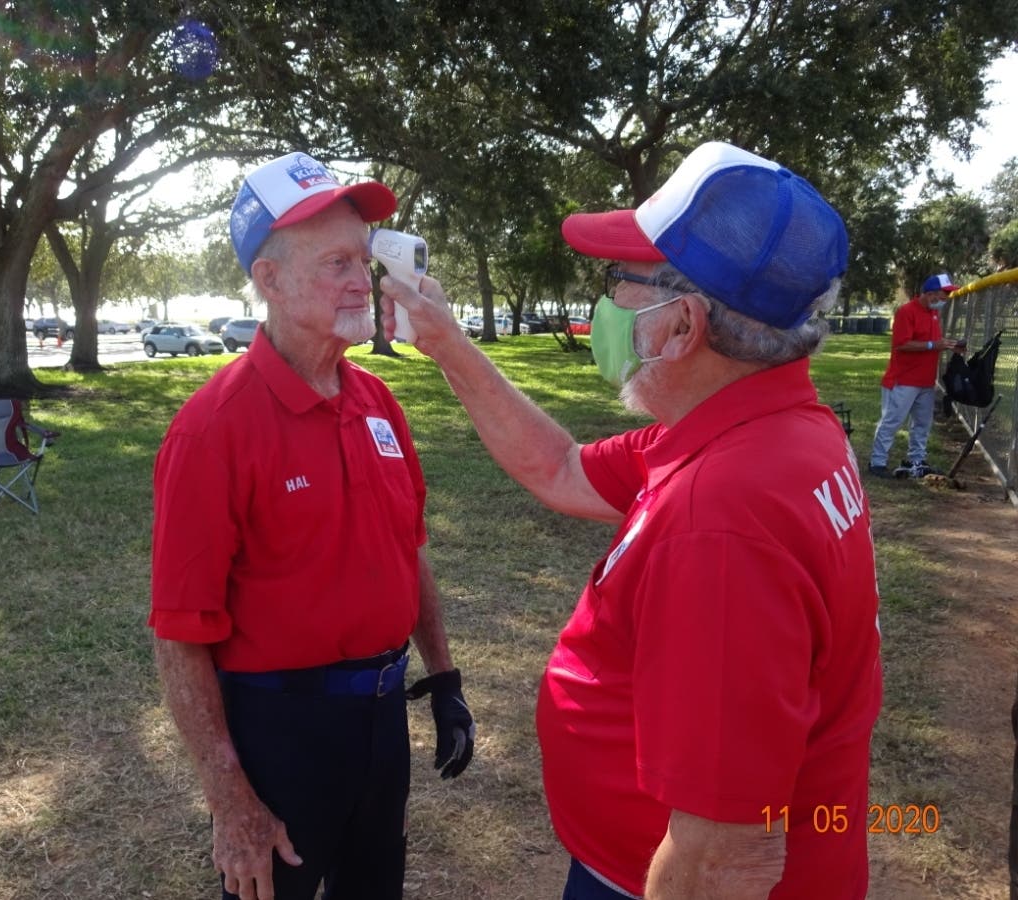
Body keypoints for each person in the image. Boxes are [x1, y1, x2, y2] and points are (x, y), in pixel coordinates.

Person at [381, 141, 882, 899]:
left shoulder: (722, 515)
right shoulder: (763, 428)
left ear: (681, 325)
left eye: (618, 281)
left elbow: (724, 858)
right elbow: (560, 468)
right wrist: (447, 342)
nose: (606, 307)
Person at [149, 152, 474, 900]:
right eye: (336, 263)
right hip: (280, 734)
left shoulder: (378, 402)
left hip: (382, 719)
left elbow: (408, 549)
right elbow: (179, 635)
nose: (363, 280)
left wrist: (443, 675)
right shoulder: (213, 430)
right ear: (270, 280)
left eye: (363, 259)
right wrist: (231, 802)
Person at [868, 273, 963, 478]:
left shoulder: (933, 313)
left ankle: (916, 460)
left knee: (922, 424)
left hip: (925, 381)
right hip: (903, 380)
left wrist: (948, 346)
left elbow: (933, 343)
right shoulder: (906, 311)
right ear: (930, 294)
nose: (946, 298)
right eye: (943, 294)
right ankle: (877, 462)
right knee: (892, 422)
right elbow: (901, 344)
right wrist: (932, 345)